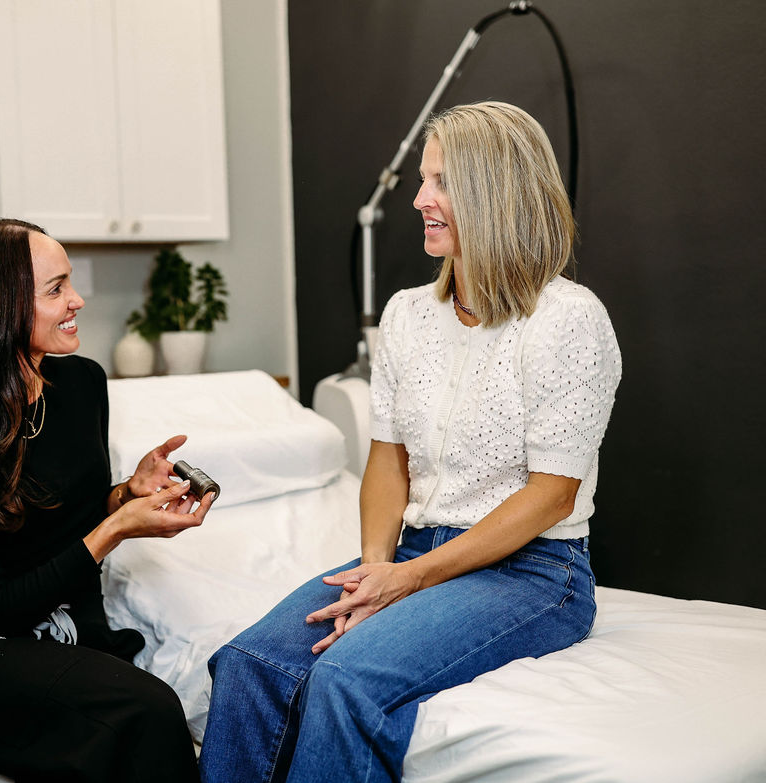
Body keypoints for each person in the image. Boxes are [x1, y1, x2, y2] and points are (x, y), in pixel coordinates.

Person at [198, 101, 622, 783]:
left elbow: (551, 496)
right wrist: (375, 570)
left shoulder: (568, 320)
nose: (421, 199)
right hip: (414, 552)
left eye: (442, 182)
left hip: (535, 573)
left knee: (344, 679)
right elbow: (387, 462)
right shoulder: (405, 316)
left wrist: (408, 580)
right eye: (423, 180)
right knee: (250, 663)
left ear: (496, 193)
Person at [0, 219, 214, 782]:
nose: (78, 300)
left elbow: (66, 518)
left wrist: (125, 494)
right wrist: (115, 528)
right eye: (56, 289)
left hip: (77, 634)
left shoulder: (83, 385)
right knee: (150, 714)